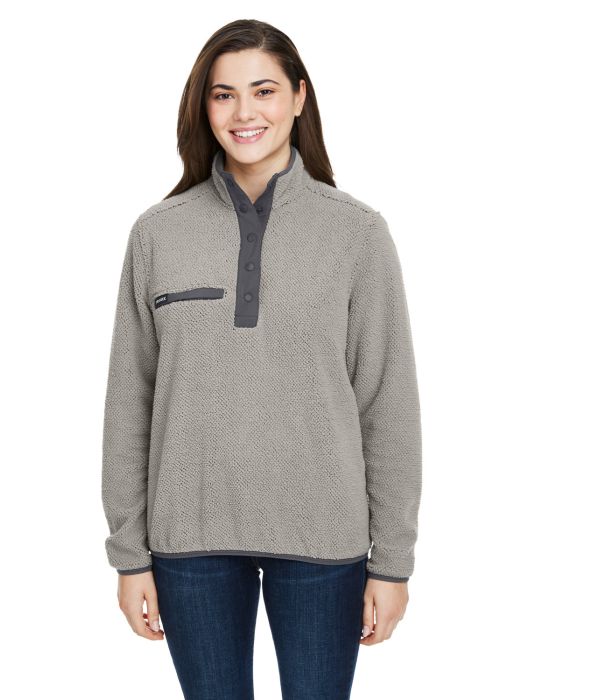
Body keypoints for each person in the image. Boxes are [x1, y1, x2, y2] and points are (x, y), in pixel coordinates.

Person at [101, 18, 422, 700]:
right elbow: (129, 402)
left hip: (324, 537)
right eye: (224, 95)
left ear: (299, 97)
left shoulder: (357, 234)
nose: (244, 112)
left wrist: (392, 562)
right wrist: (128, 556)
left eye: (264, 90)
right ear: (204, 107)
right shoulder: (158, 233)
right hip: (189, 538)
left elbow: (387, 403)